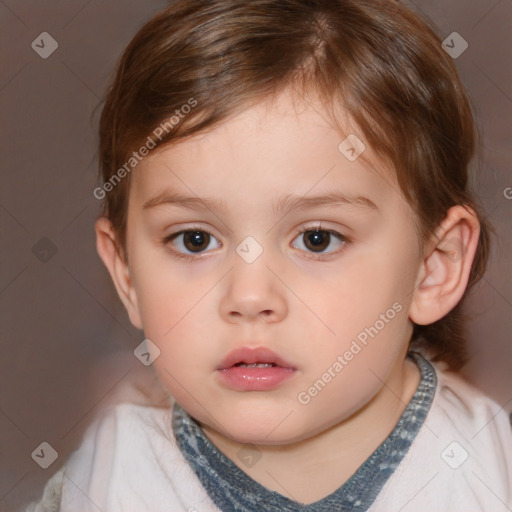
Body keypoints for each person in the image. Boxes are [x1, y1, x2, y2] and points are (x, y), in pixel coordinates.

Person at [26, 0, 512, 510]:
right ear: (127, 275)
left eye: (317, 239)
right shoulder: (100, 482)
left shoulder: (488, 475)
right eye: (195, 240)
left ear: (434, 267)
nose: (250, 297)